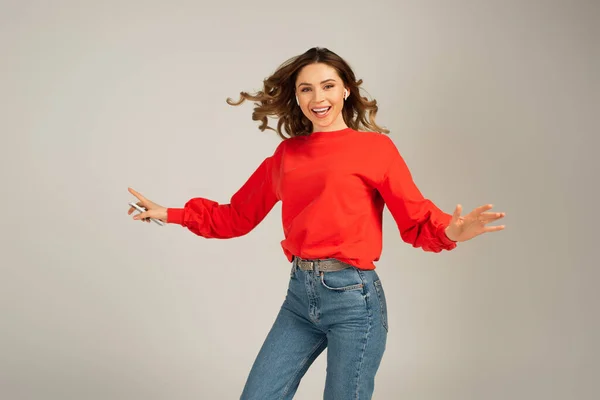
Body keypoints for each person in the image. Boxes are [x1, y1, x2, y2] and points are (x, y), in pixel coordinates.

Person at [126, 47, 506, 399]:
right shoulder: (288, 154)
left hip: (354, 299)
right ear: (297, 97)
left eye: (327, 86)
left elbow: (415, 213)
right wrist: (170, 214)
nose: (317, 98)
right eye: (306, 89)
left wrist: (452, 231)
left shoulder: (375, 149)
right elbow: (235, 217)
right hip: (299, 297)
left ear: (345, 91)